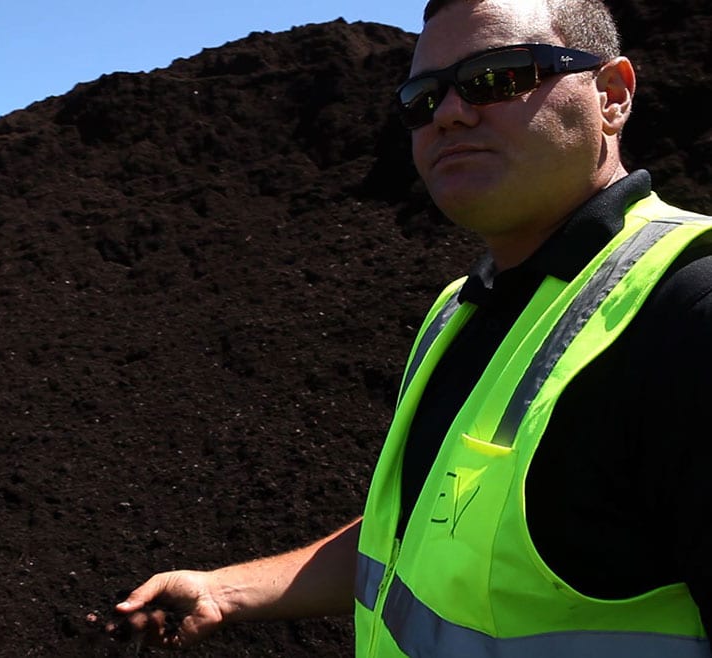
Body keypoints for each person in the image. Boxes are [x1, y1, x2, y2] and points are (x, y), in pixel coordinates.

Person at [110, 0, 712, 654]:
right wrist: (224, 591)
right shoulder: (460, 311)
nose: (450, 112)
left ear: (613, 95)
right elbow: (428, 530)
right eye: (423, 97)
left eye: (499, 76)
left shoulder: (686, 310)